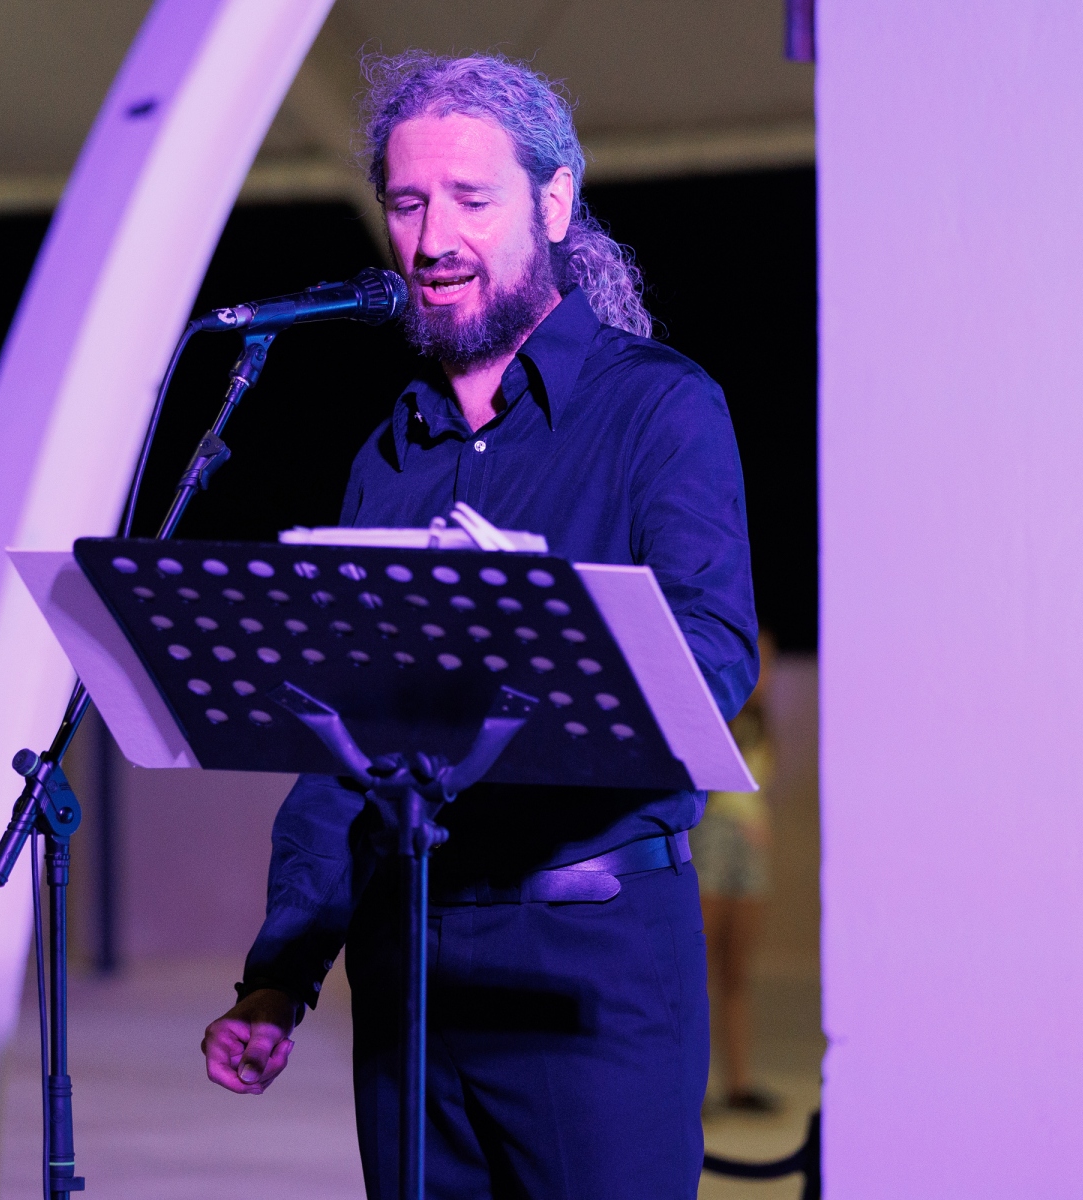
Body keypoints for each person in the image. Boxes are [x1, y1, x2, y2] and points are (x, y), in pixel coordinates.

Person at [200, 51, 758, 1199]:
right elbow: (340, 755)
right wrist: (281, 973)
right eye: (407, 203)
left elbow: (713, 658)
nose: (431, 237)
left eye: (469, 198)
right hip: (408, 962)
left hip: (587, 961)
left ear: (553, 203)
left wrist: (541, 630)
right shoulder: (390, 456)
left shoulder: (659, 406)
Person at [690, 630, 780, 1113]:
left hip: (748, 846)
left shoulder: (764, 722)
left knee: (736, 972)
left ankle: (738, 1084)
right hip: (716, 838)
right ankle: (695, 1085)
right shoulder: (723, 711)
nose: (765, 673)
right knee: (700, 966)